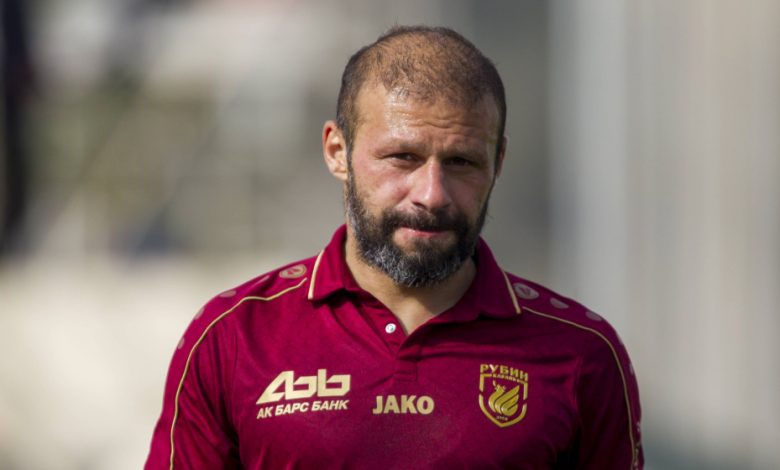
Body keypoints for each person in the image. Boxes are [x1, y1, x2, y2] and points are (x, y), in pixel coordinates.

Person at [145, 25, 643, 469]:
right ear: (337, 152)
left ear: (498, 161)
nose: (432, 194)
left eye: (462, 162)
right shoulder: (233, 337)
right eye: (402, 157)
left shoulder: (582, 352)